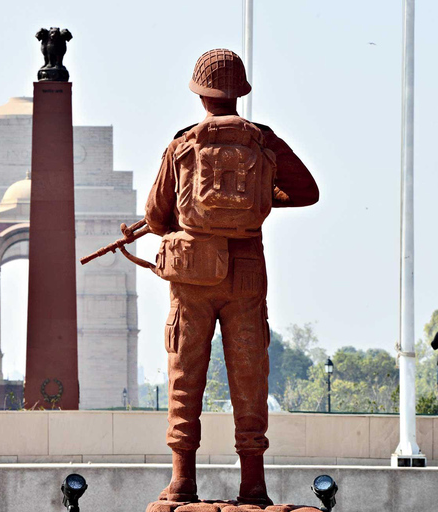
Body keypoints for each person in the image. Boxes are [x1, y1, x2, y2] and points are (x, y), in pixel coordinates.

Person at [144, 48, 319, 506]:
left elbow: (157, 216)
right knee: (249, 374)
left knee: (186, 373)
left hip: (193, 277)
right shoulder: (263, 140)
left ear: (201, 93)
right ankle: (254, 485)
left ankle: (182, 481)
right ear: (239, 92)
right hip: (246, 272)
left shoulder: (182, 143)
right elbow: (307, 191)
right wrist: (262, 198)